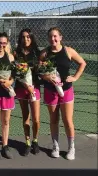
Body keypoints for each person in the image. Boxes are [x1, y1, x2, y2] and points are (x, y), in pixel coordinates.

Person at [40, 27, 86, 160]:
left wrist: (75, 77)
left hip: (66, 90)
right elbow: (40, 71)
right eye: (50, 37)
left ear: (60, 37)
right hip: (50, 91)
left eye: (55, 36)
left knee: (67, 120)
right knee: (54, 120)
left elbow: (82, 63)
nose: (53, 39)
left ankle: (71, 148)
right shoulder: (44, 53)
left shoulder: (68, 51)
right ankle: (56, 147)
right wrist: (47, 77)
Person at [13, 28, 41, 156]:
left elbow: (41, 70)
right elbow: (16, 73)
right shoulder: (16, 53)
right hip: (20, 88)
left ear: (32, 37)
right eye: (23, 37)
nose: (26, 39)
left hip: (34, 88)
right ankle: (28, 142)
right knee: (26, 117)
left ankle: (35, 140)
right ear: (20, 39)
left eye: (28, 37)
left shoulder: (38, 52)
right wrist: (25, 85)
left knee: (36, 119)